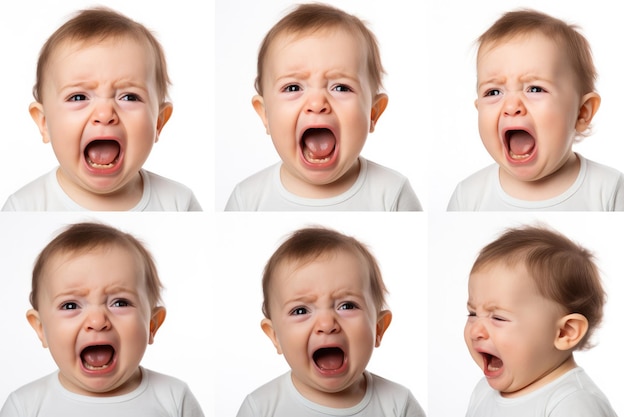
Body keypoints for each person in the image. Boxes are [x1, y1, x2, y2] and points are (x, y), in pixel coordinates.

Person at [225, 3, 421, 211]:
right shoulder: (247, 199)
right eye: (293, 87)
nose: (317, 104)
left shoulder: (391, 193)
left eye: (341, 88)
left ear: (373, 113)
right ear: (265, 114)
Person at [2, 7, 201, 211]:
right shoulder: (23, 208)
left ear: (158, 122)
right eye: (78, 97)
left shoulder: (179, 203)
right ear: (44, 123)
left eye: (129, 97)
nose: (105, 115)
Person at [0, 222, 204, 416]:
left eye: (120, 303)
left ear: (152, 324)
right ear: (41, 328)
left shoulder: (174, 398)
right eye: (70, 305)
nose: (97, 321)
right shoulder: (25, 406)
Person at [447, 9, 624, 211]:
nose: (512, 106)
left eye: (535, 89)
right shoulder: (469, 197)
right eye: (494, 92)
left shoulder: (608, 190)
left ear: (582, 112)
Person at [236, 227, 426, 416]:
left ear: (378, 328)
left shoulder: (399, 405)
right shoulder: (260, 408)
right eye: (300, 310)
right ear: (275, 336)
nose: (327, 325)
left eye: (347, 306)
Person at [464, 225, 617, 416]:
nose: (475, 331)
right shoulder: (483, 392)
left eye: (498, 317)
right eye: (472, 314)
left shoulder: (573, 404)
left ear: (564, 332)